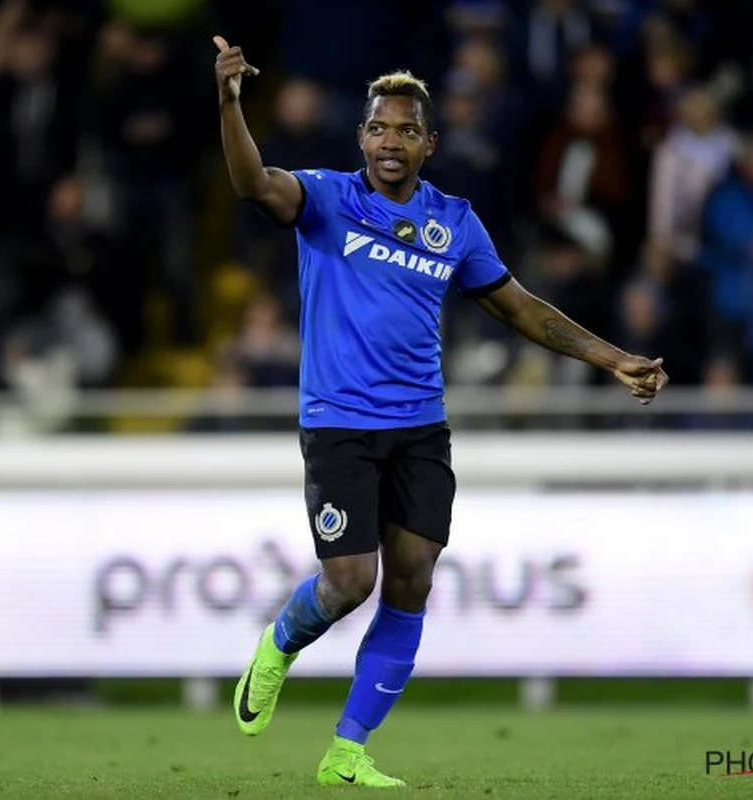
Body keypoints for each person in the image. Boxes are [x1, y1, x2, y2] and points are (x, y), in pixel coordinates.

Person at [213, 35, 669, 788]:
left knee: (414, 578)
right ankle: (280, 646)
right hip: (339, 426)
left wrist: (612, 357)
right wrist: (230, 102)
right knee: (349, 583)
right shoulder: (326, 198)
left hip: (420, 428)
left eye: (406, 130)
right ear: (362, 137)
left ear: (430, 142)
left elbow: (522, 310)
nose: (391, 141)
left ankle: (347, 752)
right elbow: (250, 183)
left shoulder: (454, 222)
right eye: (379, 128)